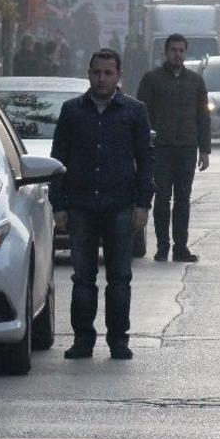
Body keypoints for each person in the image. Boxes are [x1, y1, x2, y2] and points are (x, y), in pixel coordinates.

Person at [50, 48, 155, 360]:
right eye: (97, 72)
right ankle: (83, 339)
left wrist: (142, 203)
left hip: (120, 206)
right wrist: (59, 205)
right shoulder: (72, 111)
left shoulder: (134, 111)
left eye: (108, 73)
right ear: (89, 73)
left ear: (118, 76)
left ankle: (118, 340)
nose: (102, 78)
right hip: (81, 206)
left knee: (119, 277)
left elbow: (146, 159)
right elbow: (59, 159)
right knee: (83, 277)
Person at [135, 33, 211, 263]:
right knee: (162, 198)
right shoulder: (152, 80)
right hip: (161, 148)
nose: (177, 55)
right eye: (173, 50)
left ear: (185, 53)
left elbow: (203, 116)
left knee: (183, 199)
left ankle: (180, 248)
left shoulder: (195, 81)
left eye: (181, 50)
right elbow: (141, 115)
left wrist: (204, 149)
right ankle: (162, 247)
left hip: (187, 147)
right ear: (166, 53)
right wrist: (142, 147)